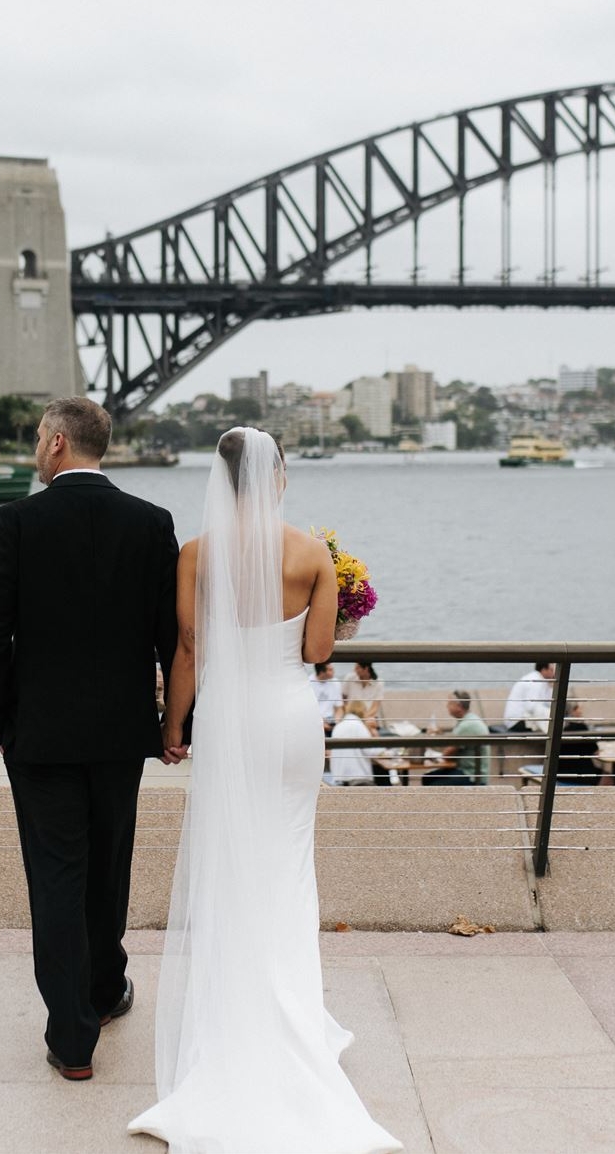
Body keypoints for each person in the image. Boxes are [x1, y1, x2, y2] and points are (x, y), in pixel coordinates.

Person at [129, 427, 401, 1153]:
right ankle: (294, 1012)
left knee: (230, 863)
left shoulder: (196, 553)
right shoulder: (312, 554)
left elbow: (189, 649)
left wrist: (173, 725)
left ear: (223, 480)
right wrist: (337, 605)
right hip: (286, 720)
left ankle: (236, 1017)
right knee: (289, 864)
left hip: (227, 714)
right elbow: (317, 655)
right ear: (278, 476)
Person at [0, 396, 178, 1083]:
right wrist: (174, 723)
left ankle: (72, 1036)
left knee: (56, 875)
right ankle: (103, 987)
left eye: (37, 436)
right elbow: (172, 639)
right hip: (122, 734)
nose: (35, 446)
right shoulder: (152, 524)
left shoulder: (17, 521)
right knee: (109, 865)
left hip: (41, 736)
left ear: (58, 443)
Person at [422, 692, 490, 785]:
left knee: (434, 785)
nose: (447, 706)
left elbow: (447, 754)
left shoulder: (467, 725)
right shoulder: (469, 720)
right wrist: (441, 734)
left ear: (458, 706)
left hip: (471, 775)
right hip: (470, 771)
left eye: (449, 703)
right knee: (428, 778)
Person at [329, 699, 382, 785]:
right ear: (363, 710)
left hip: (339, 776)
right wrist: (375, 733)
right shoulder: (359, 726)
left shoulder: (339, 726)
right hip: (358, 777)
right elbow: (371, 751)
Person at [503, 662, 555, 728]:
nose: (554, 673)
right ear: (544, 670)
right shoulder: (534, 680)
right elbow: (531, 707)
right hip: (517, 721)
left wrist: (552, 685)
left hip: (522, 719)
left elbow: (548, 702)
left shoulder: (542, 681)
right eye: (551, 670)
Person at [342, 660, 385, 726]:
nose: (355, 670)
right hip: (350, 715)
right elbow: (343, 699)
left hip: (369, 716)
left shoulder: (379, 683)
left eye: (357, 668)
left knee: (371, 725)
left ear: (366, 669)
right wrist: (349, 714)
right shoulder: (350, 678)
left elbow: (375, 707)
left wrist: (363, 718)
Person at [311, 660, 343, 732]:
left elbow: (339, 709)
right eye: (330, 670)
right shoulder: (309, 683)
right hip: (314, 722)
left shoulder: (336, 683)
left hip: (331, 721)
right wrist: (321, 723)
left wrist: (336, 723)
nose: (333, 671)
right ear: (322, 672)